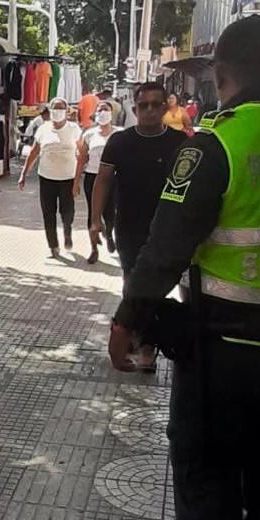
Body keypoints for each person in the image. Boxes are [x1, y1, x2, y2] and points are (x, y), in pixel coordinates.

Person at [105, 16, 260, 520]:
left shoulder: (214, 146)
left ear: (219, 74)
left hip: (217, 346)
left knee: (206, 469)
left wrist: (127, 321)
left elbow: (164, 250)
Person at [90, 82, 187, 371]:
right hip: (129, 228)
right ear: (134, 109)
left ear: (166, 107)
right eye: (143, 105)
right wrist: (95, 220)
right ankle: (137, 334)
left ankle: (146, 344)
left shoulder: (180, 143)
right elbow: (102, 180)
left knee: (153, 287)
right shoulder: (120, 142)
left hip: (166, 229)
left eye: (156, 104)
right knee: (133, 284)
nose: (149, 110)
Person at [19, 97, 83, 257]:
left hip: (68, 178)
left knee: (67, 212)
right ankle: (53, 245)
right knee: (48, 212)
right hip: (47, 177)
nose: (57, 111)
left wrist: (78, 180)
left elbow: (82, 153)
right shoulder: (43, 129)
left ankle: (67, 232)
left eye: (61, 108)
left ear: (66, 111)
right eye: (55, 108)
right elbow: (34, 151)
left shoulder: (74, 129)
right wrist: (24, 173)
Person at [74, 101, 121, 264]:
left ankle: (109, 234)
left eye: (106, 110)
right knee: (93, 213)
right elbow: (82, 159)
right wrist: (75, 182)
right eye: (100, 110)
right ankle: (94, 249)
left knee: (110, 212)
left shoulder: (119, 133)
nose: (102, 113)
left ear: (111, 113)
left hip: (113, 177)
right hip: (92, 177)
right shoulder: (89, 134)